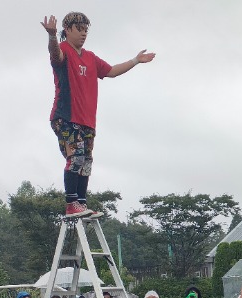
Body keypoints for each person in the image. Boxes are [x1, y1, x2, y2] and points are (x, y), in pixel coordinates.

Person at [41, 12, 156, 218]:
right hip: (65, 116)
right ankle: (71, 204)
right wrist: (51, 35)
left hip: (87, 121)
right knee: (75, 157)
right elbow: (54, 54)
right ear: (67, 30)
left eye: (86, 30)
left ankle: (81, 203)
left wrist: (136, 60)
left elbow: (111, 71)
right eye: (80, 29)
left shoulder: (91, 57)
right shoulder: (64, 51)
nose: (84, 34)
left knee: (86, 161)